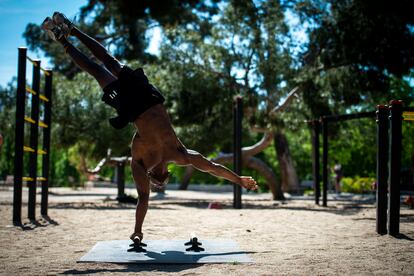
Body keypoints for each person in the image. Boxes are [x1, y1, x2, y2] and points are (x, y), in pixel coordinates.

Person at [41, 12, 258, 244]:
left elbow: (143, 198)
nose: (157, 183)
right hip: (149, 97)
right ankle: (70, 28)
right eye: (160, 183)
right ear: (167, 174)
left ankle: (61, 39)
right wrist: (239, 180)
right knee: (110, 61)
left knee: (97, 71)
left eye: (157, 184)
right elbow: (213, 167)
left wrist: (137, 229)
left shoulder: (140, 162)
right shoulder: (180, 154)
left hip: (131, 108)